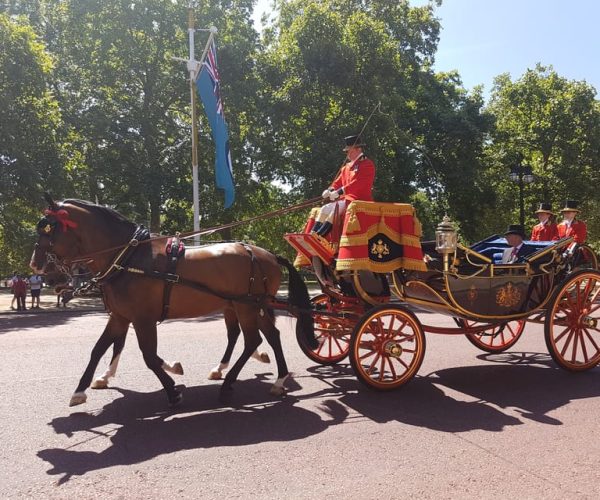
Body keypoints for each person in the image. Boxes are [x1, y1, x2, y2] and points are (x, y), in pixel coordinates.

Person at [312, 134, 376, 237]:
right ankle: (313, 234)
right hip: (346, 199)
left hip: (359, 200)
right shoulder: (347, 167)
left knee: (336, 209)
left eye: (349, 151)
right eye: (346, 151)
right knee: (325, 208)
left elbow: (357, 183)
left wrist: (339, 192)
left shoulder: (366, 164)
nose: (347, 154)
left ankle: (319, 236)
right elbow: (338, 182)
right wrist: (330, 189)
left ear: (358, 149)